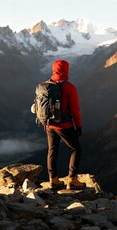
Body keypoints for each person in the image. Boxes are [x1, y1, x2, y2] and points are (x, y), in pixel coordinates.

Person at [45, 59, 85, 190]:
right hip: (64, 125)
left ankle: (53, 179)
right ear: (66, 70)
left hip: (48, 125)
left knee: (52, 150)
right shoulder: (69, 87)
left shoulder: (46, 85)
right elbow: (75, 109)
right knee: (76, 149)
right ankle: (72, 180)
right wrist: (78, 126)